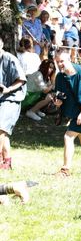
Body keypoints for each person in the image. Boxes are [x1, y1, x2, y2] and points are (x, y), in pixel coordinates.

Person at [0, 37, 27, 170]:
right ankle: (6, 162)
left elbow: (21, 79)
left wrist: (8, 89)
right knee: (3, 131)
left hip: (12, 97)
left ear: (1, 44)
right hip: (1, 97)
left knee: (1, 128)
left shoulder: (10, 59)